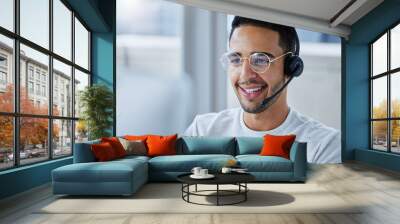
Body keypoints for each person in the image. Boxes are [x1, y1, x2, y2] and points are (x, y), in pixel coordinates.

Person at [183, 16, 341, 164]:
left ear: (290, 68)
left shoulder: (323, 145)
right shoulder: (203, 130)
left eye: (260, 60)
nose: (245, 74)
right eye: (236, 59)